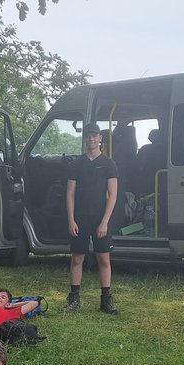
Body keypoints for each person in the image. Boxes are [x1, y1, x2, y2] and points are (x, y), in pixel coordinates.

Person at [63, 124, 120, 314]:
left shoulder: (109, 164)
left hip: (100, 218)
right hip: (80, 218)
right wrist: (71, 219)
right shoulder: (76, 164)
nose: (91, 139)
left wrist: (104, 221)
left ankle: (105, 300)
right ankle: (74, 298)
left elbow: (113, 195)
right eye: (88, 136)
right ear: (85, 138)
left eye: (94, 136)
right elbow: (70, 194)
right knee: (77, 258)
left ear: (100, 138)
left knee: (104, 258)